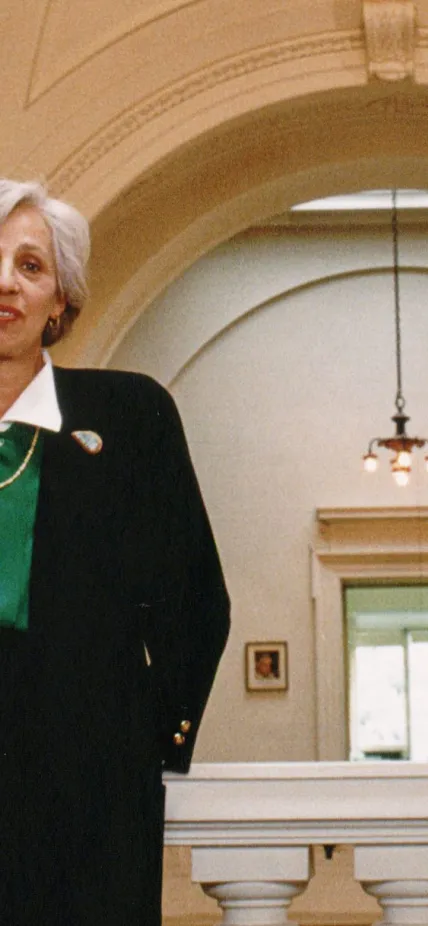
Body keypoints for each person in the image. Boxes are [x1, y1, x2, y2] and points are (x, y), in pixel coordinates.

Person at [0, 179, 230, 926]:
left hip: (90, 808)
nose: (5, 281)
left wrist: (137, 748)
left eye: (30, 266)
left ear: (61, 300)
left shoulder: (130, 416)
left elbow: (196, 602)